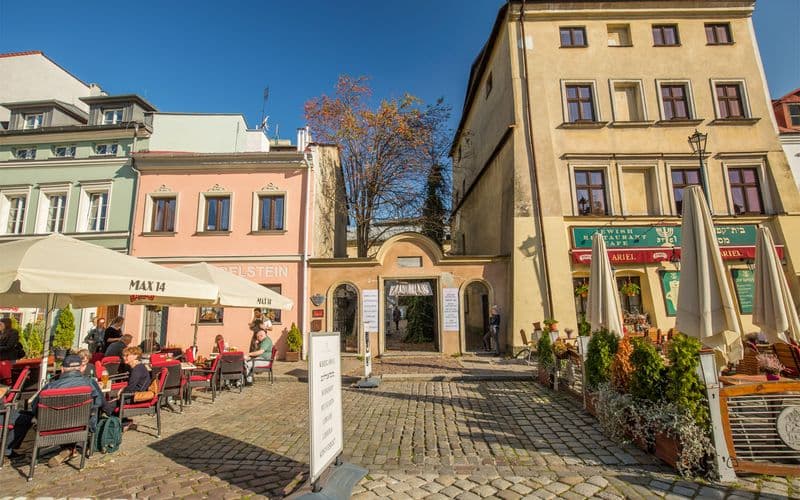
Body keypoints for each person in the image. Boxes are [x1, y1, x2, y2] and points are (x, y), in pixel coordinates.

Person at [4, 354, 114, 467]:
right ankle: (69, 448)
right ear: (82, 368)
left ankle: (7, 452)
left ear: (62, 369)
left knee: (12, 415)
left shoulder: (51, 386)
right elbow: (99, 403)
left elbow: (35, 408)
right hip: (81, 425)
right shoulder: (90, 383)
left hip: (50, 427)